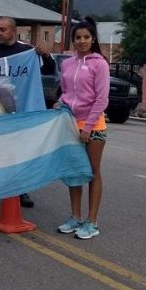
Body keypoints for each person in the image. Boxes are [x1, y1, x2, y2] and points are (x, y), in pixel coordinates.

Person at [0, 16, 55, 209]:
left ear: (14, 31)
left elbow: (50, 69)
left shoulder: (27, 51)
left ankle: (21, 190)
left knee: (19, 153)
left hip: (21, 113)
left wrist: (46, 55)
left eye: (3, 29)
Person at [55, 18, 110, 240]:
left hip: (93, 127)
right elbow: (66, 92)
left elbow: (102, 99)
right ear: (73, 40)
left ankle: (92, 221)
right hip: (70, 124)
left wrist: (87, 127)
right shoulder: (67, 63)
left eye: (86, 37)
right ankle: (75, 217)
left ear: (93, 39)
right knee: (74, 172)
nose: (82, 41)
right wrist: (60, 104)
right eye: (78, 37)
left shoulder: (100, 64)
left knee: (93, 172)